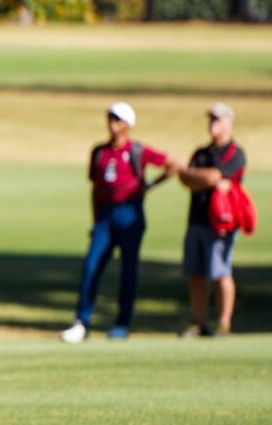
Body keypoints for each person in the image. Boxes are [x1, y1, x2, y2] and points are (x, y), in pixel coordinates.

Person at [61, 102, 176, 343]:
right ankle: (82, 322)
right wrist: (94, 222)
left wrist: (149, 186)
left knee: (128, 270)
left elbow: (171, 165)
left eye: (118, 119)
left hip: (130, 214)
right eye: (111, 118)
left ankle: (122, 323)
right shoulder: (99, 152)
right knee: (91, 267)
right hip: (104, 215)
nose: (113, 123)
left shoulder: (137, 150)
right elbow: (95, 189)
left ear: (128, 125)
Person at [178, 102, 247, 338]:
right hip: (196, 219)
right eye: (211, 119)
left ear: (229, 123)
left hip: (220, 223)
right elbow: (185, 178)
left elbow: (211, 176)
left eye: (217, 120)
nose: (212, 124)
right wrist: (203, 177)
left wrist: (201, 177)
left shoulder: (235, 154)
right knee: (196, 273)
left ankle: (224, 322)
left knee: (219, 271)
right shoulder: (201, 153)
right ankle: (199, 322)